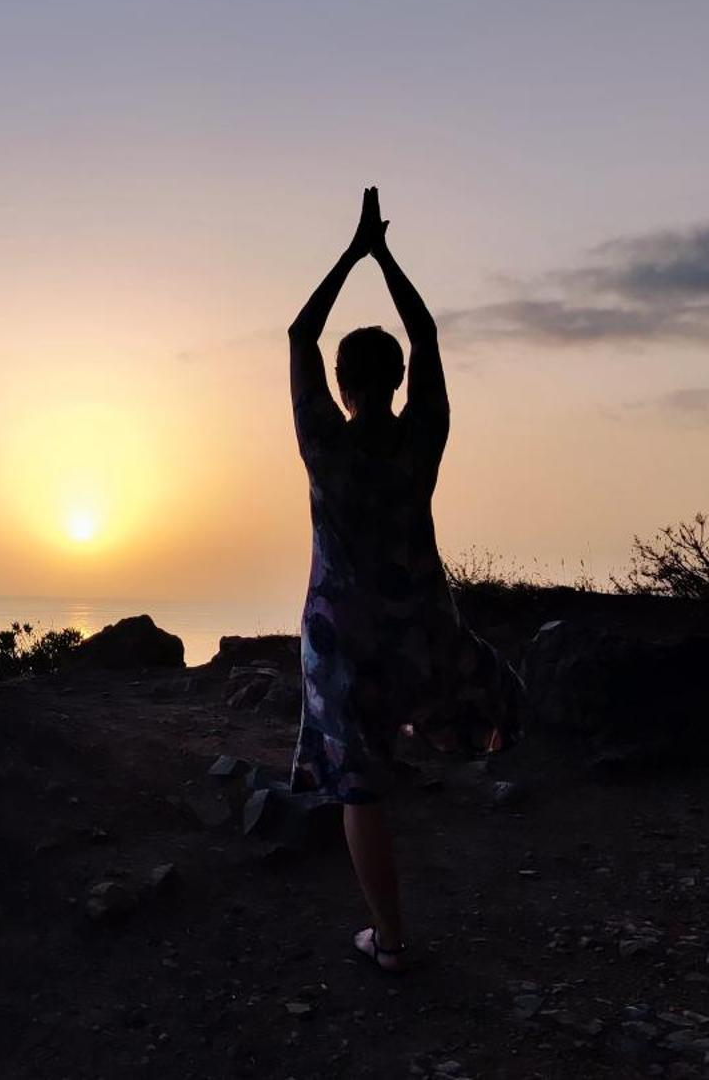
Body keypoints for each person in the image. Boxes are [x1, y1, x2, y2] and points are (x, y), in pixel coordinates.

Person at [286, 186, 523, 973]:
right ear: (394, 379)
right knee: (481, 686)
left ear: (344, 383)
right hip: (421, 629)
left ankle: (388, 939)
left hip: (342, 640)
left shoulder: (326, 443)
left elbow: (299, 333)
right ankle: (472, 737)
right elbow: (424, 332)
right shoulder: (422, 436)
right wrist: (385, 257)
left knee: (360, 789)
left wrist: (351, 253)